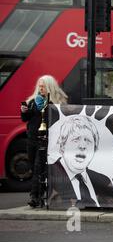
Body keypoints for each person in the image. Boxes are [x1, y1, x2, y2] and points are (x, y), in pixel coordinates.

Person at [48, 115, 113, 208]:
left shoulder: (104, 181)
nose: (82, 146)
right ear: (62, 146)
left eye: (88, 140)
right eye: (76, 139)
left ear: (94, 149)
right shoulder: (49, 173)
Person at [20, 75, 68, 208]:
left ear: (50, 87)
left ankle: (35, 197)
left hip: (47, 140)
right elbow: (25, 119)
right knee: (34, 167)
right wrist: (23, 111)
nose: (40, 88)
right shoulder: (33, 101)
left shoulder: (57, 102)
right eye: (39, 86)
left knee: (38, 168)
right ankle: (41, 194)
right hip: (32, 139)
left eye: (43, 86)